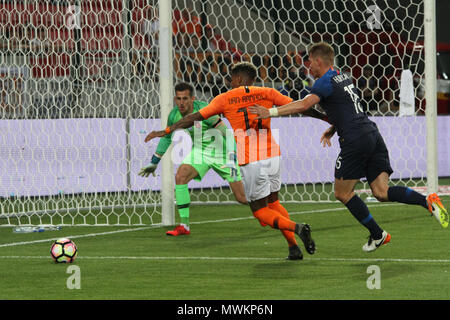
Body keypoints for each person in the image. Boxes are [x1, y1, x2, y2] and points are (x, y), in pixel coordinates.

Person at [249, 42, 449, 253]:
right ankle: (427, 201)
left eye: (310, 62)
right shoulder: (343, 77)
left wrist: (270, 112)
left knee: (342, 193)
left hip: (354, 140)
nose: (309, 67)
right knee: (381, 191)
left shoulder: (323, 82)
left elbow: (304, 105)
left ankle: (378, 234)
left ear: (318, 61)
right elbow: (349, 108)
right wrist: (334, 128)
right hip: (372, 133)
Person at [144, 62, 329, 260]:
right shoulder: (267, 92)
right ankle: (293, 248)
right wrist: (328, 119)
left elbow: (193, 118)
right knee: (274, 203)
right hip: (273, 155)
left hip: (251, 159)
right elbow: (301, 107)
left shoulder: (225, 98)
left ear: (239, 79)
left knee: (259, 212)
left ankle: (297, 228)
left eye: (231, 79)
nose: (230, 82)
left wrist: (165, 131)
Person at [139, 82, 247, 236]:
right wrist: (154, 162)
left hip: (221, 153)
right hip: (200, 152)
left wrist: (232, 157)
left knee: (242, 198)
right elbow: (167, 137)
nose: (181, 103)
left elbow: (227, 134)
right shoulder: (174, 114)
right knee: (180, 176)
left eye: (185, 99)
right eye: (178, 99)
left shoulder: (205, 111)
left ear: (192, 99)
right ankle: (184, 225)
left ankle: (267, 208)